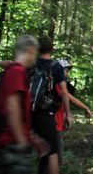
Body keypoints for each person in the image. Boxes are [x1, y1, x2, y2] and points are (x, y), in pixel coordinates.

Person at [0, 35, 38, 174]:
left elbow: (20, 112)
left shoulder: (12, 70)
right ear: (31, 50)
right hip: (9, 146)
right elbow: (12, 107)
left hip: (7, 145)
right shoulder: (17, 72)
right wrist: (22, 142)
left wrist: (33, 137)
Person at [32, 36, 72, 174]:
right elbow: (63, 91)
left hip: (27, 111)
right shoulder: (56, 67)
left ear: (37, 49)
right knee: (52, 152)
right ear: (52, 49)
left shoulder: (31, 62)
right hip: (46, 113)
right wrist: (68, 114)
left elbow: (11, 64)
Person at [54, 59, 92, 165]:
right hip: (54, 125)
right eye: (66, 70)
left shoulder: (57, 84)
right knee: (56, 158)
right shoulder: (57, 85)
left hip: (56, 124)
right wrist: (85, 108)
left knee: (52, 157)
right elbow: (70, 98)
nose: (67, 73)